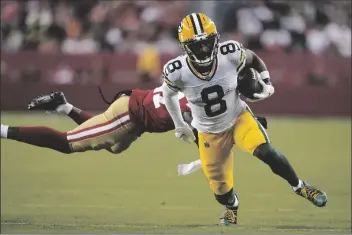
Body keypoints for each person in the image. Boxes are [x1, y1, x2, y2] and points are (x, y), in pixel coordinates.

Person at [161, 13, 327, 226]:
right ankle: (232, 206)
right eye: (196, 45)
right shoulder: (177, 71)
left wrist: (266, 82)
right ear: (185, 47)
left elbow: (253, 59)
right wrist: (179, 125)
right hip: (208, 131)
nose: (203, 49)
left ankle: (300, 186)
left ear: (216, 39)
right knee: (220, 189)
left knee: (266, 151)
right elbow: (168, 94)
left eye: (207, 43)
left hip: (238, 117)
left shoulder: (229, 53)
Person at [0, 87, 191, 154]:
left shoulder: (194, 84)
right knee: (69, 143)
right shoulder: (199, 103)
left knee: (113, 147)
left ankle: (63, 106)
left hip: (138, 114)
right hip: (127, 115)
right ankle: (2, 130)